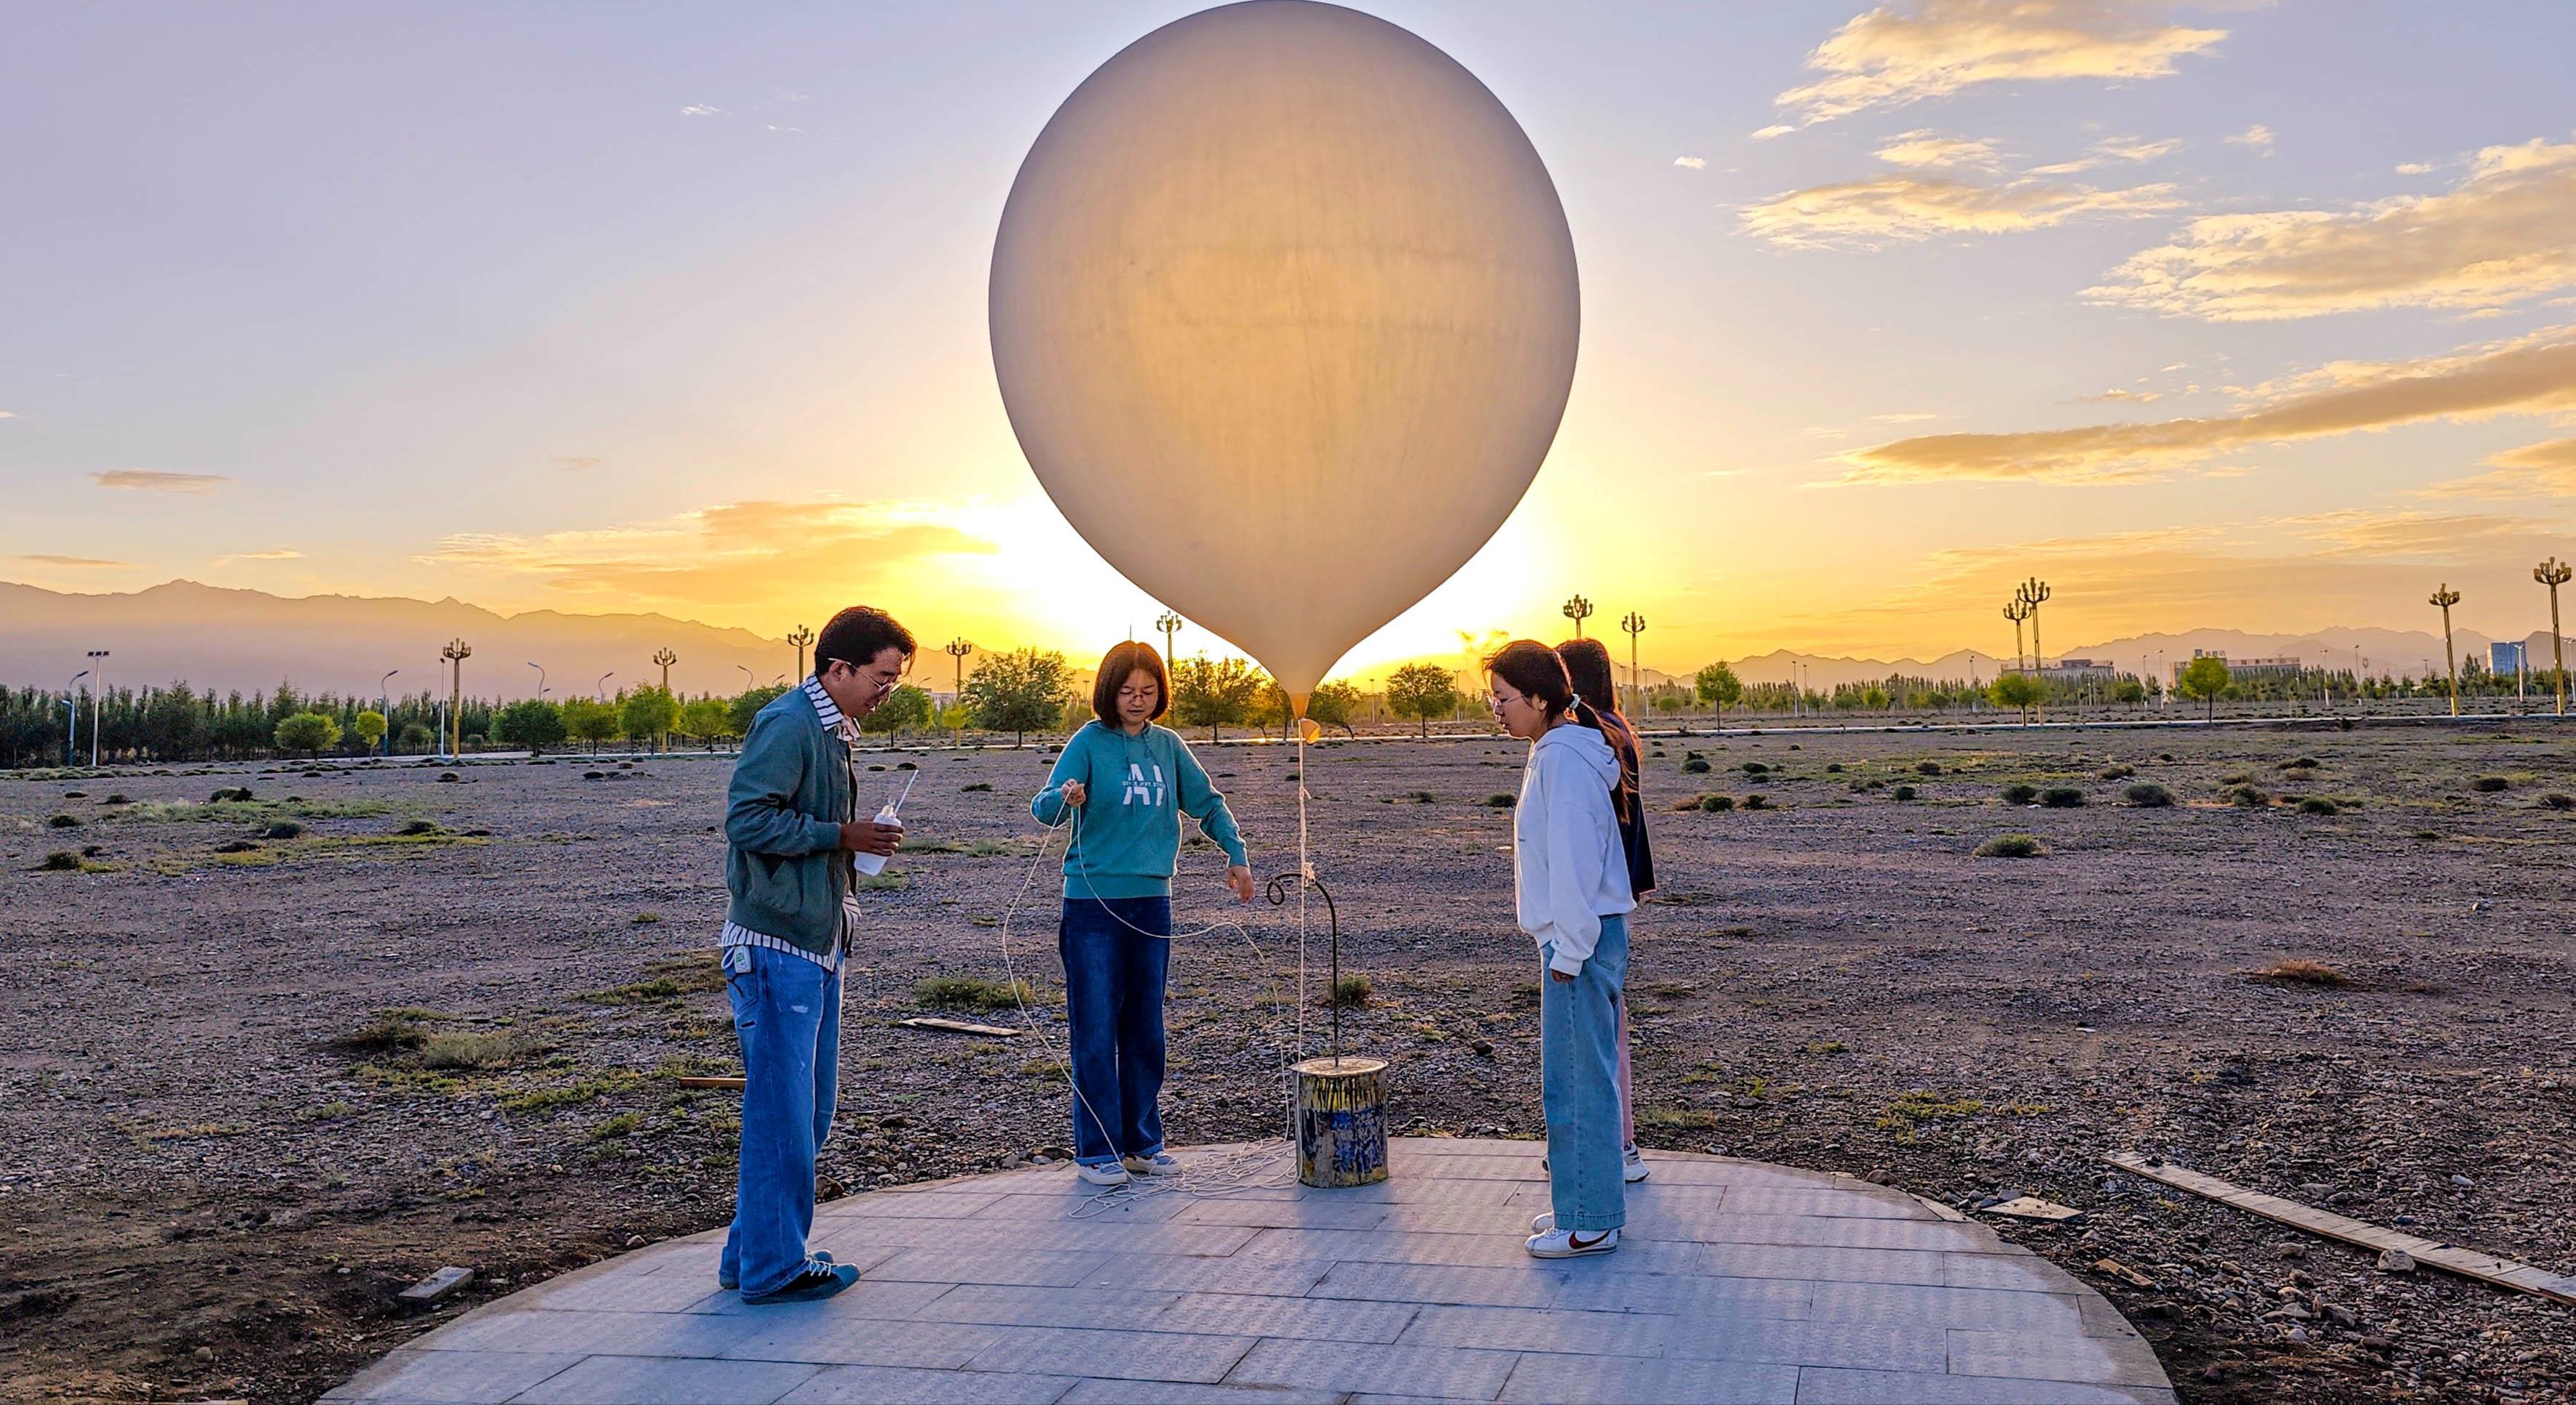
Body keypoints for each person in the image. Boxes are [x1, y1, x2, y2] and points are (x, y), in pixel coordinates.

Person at [716, 605, 913, 1303]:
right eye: (882, 679)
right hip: (777, 948)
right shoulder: (788, 723)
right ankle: (775, 1269)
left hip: (815, 943)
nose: (886, 692)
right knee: (784, 1116)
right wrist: (841, 836)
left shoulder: (830, 731)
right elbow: (746, 820)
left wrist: (853, 840)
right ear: (838, 668)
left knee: (806, 1112)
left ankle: (754, 1255)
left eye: (894, 681)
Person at [1032, 641, 1255, 1187]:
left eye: (1148, 691)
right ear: (1108, 692)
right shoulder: (1088, 742)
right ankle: (1097, 1152)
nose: (1137, 700)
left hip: (1152, 902)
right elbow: (1043, 807)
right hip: (1091, 905)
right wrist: (1066, 796)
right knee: (1095, 1028)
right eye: (1127, 691)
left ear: (1160, 694)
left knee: (1144, 1027)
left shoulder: (1169, 746)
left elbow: (1208, 803)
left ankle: (1141, 1144)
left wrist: (1236, 853)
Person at [1487, 639, 1634, 1258]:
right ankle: (1581, 1201)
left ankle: (1591, 1221)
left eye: (1503, 699)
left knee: (1578, 1083)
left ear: (1539, 698)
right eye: (1492, 700)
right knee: (1573, 1079)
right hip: (1577, 936)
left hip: (1579, 941)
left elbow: (1574, 862)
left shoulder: (1565, 762)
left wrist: (1568, 953)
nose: (1496, 711)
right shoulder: (1555, 752)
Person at [1556, 638, 1653, 1186]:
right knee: (1607, 1025)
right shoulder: (1615, 729)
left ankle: (1615, 1148)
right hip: (1614, 894)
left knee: (1596, 1032)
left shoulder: (1587, 738)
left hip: (1595, 897)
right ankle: (1616, 1144)